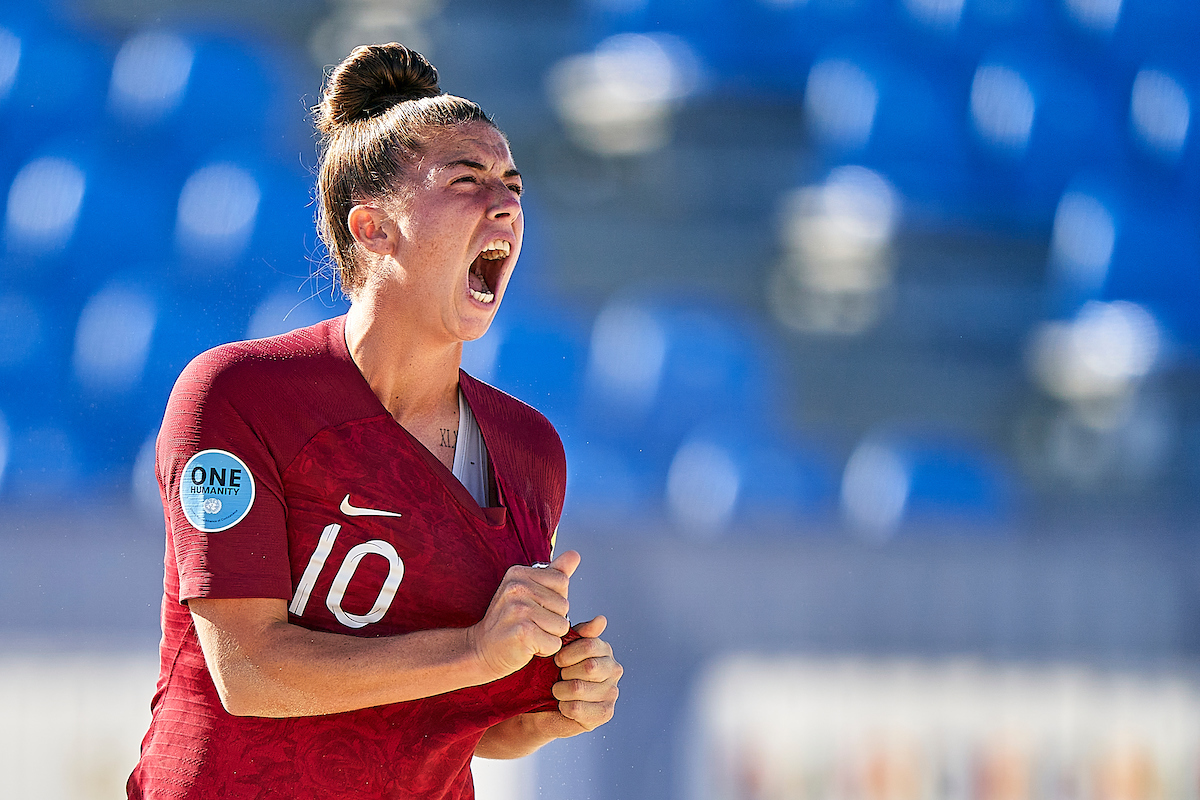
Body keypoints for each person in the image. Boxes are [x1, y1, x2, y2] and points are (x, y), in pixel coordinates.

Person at [127, 42, 622, 799]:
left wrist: (552, 710)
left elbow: (463, 719)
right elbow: (251, 672)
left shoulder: (530, 451)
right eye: (468, 179)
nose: (505, 203)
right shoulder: (237, 393)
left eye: (513, 185)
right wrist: (476, 649)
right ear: (373, 229)